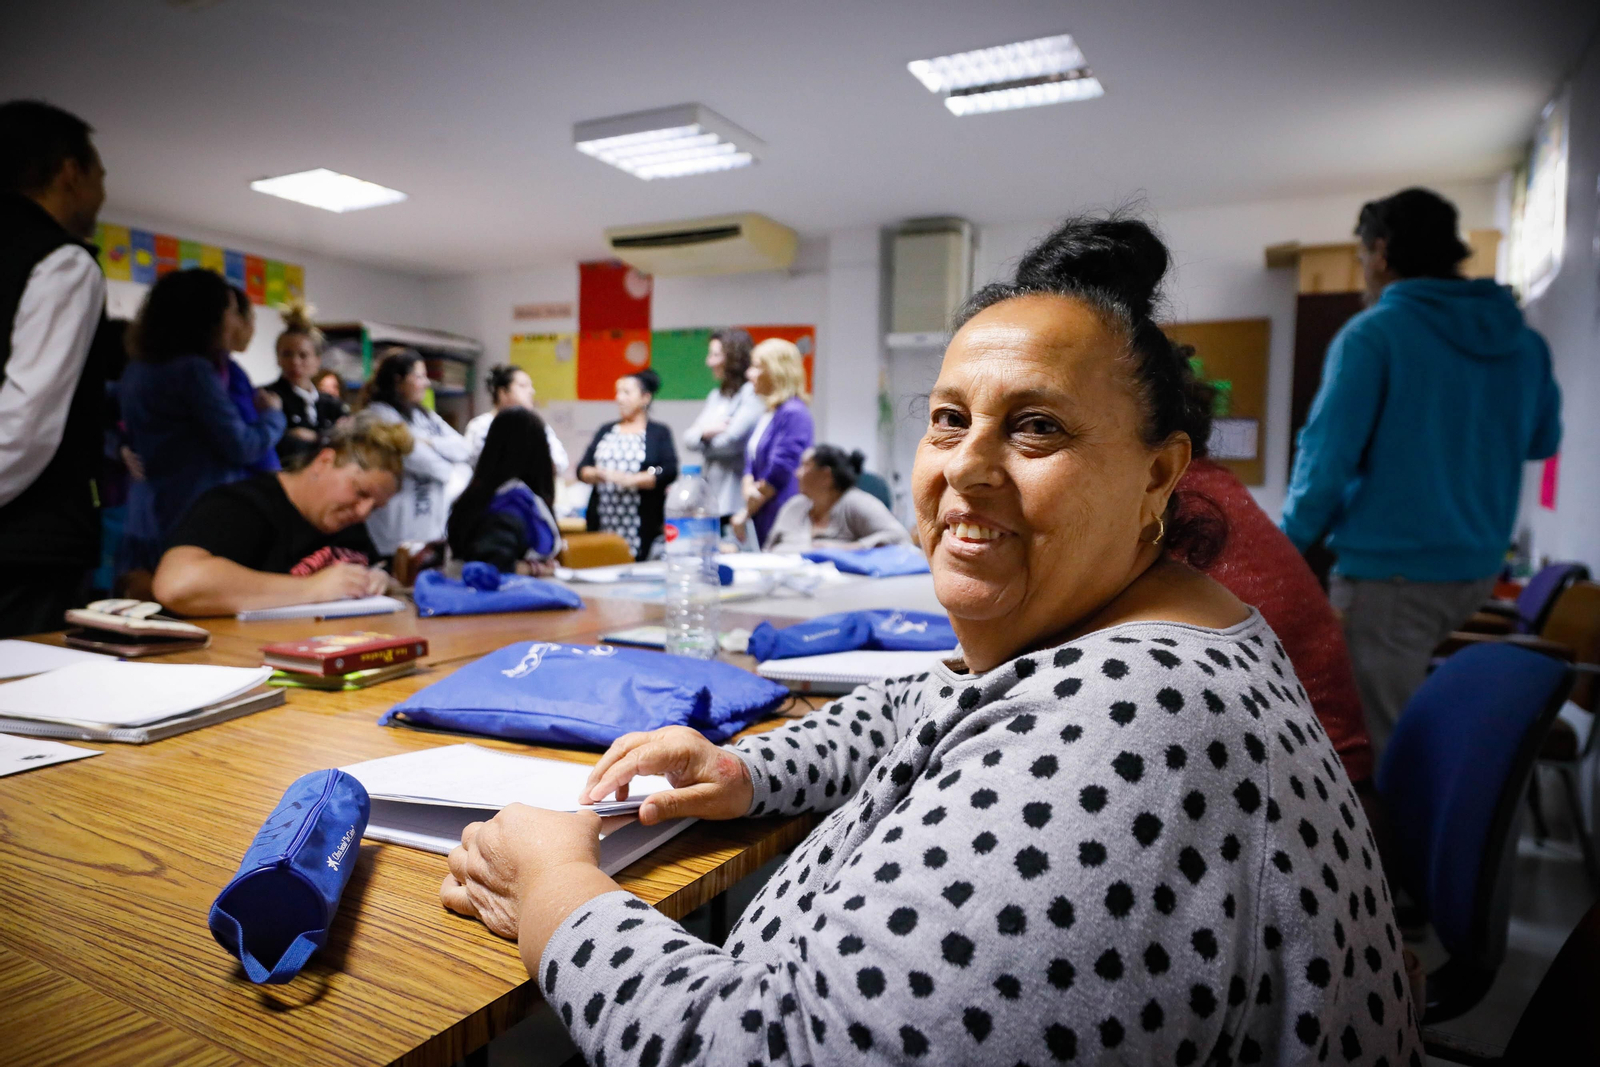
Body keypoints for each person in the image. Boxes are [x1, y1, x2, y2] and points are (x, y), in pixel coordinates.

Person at [440, 216, 1420, 1066]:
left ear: (1160, 476)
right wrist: (745, 769)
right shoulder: (1133, 624)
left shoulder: (1131, 730)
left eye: (1036, 428)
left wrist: (556, 884)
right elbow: (925, 695)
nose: (967, 467)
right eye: (949, 419)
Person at [1281, 187, 1562, 752]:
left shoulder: (1374, 336)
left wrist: (1282, 548)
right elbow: (1542, 441)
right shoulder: (1525, 343)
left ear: (1382, 252)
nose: (1364, 272)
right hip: (1476, 572)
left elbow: (1325, 461)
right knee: (1411, 727)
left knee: (1375, 749)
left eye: (1363, 256)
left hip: (1392, 579)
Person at [1175, 457, 1373, 786]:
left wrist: (1297, 535)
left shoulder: (1179, 508)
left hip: (1308, 783)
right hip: (1326, 769)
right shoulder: (1215, 492)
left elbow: (1324, 465)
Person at [0, 100, 110, 637]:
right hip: (24, 541)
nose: (103, 193)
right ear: (70, 172)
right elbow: (26, 422)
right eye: (99, 175)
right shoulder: (60, 260)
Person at [151, 412, 409, 616]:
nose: (363, 512)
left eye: (375, 507)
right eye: (360, 491)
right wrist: (312, 588)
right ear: (324, 462)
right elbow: (177, 584)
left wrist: (379, 580)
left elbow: (380, 573)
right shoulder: (242, 506)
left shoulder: (348, 524)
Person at [118, 268, 285, 551]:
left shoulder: (137, 369)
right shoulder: (194, 372)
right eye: (230, 311)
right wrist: (273, 416)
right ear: (209, 317)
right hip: (195, 510)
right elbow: (241, 445)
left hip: (148, 511)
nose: (234, 321)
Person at [362, 348, 470, 557]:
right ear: (398, 380)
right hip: (397, 532)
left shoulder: (424, 415)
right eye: (420, 376)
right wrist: (451, 466)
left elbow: (464, 449)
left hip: (431, 529)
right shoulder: (378, 417)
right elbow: (422, 460)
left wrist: (429, 442)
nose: (427, 383)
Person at [576, 370, 678, 560]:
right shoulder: (606, 430)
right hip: (603, 521)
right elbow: (582, 468)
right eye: (618, 392)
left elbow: (668, 470)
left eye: (626, 393)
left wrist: (633, 479)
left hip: (641, 525)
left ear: (645, 397)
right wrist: (599, 474)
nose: (619, 398)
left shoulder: (658, 432)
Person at [448, 407, 561, 575]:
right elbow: (491, 567)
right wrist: (536, 569)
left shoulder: (481, 496)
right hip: (490, 590)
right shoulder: (509, 508)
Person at [735, 337, 813, 545]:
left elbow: (780, 469)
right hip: (763, 511)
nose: (749, 374)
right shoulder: (770, 412)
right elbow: (751, 460)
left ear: (777, 371)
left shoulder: (794, 413)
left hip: (780, 513)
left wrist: (747, 511)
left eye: (756, 367)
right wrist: (747, 486)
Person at [681, 328, 764, 519]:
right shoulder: (716, 396)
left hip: (735, 498)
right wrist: (705, 434)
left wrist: (701, 437)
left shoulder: (752, 394)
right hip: (711, 496)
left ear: (735, 358)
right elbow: (688, 439)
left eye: (715, 355)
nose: (709, 362)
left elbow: (731, 443)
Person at [764, 444, 911, 552]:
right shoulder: (794, 506)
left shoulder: (855, 503)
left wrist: (847, 548)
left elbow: (899, 536)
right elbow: (767, 551)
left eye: (805, 466)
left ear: (826, 475)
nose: (797, 473)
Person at [265, 301, 345, 469]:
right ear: (278, 358)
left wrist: (316, 437)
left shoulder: (332, 404)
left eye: (303, 355)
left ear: (317, 360)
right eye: (287, 354)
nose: (295, 362)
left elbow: (347, 443)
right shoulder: (268, 397)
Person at [463, 363, 569, 476]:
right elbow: (476, 466)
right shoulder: (481, 426)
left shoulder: (537, 426)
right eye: (523, 386)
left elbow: (560, 462)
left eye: (531, 386)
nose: (531, 391)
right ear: (503, 392)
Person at [221, 284, 279, 474]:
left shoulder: (227, 369)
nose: (253, 327)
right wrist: (273, 414)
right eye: (251, 317)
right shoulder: (226, 373)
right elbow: (246, 444)